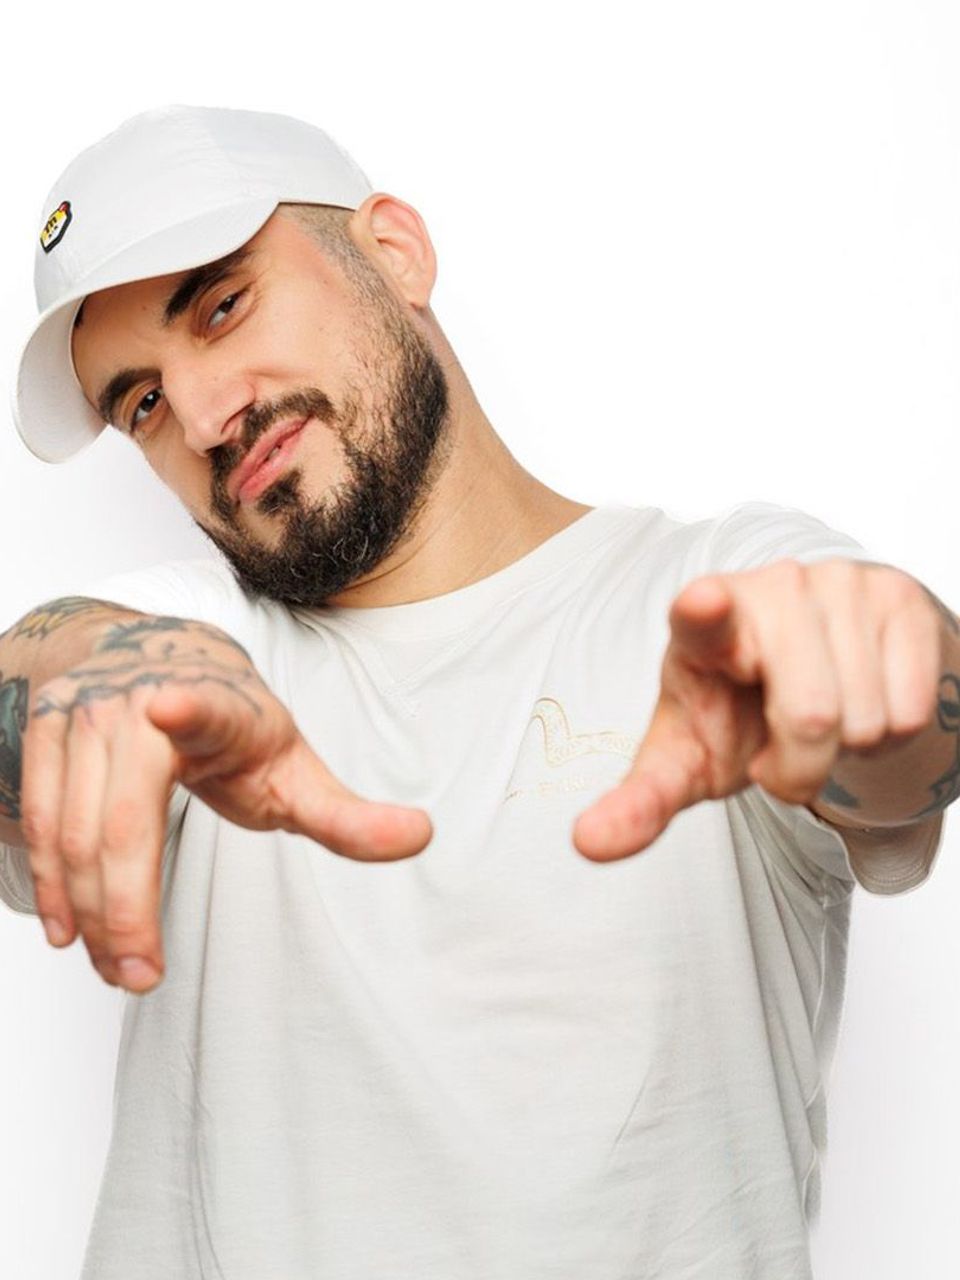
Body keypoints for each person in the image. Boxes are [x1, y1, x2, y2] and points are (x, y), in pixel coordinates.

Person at [0, 105, 955, 1280]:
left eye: (224, 304)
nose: (201, 418)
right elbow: (59, 661)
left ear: (394, 251)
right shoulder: (202, 660)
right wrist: (80, 680)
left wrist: (877, 676)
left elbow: (907, 731)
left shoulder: (710, 593)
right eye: (141, 403)